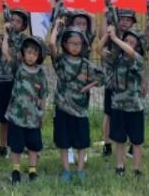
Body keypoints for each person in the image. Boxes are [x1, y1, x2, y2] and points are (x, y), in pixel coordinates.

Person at [48, 23, 103, 182]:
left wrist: (88, 86)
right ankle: (66, 170)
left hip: (80, 110)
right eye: (72, 43)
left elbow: (102, 77)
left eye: (78, 43)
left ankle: (80, 170)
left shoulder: (86, 64)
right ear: (65, 44)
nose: (75, 46)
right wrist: (56, 28)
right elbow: (51, 45)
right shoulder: (61, 61)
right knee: (63, 141)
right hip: (62, 108)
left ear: (83, 45)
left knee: (82, 142)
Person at [2, 35, 49, 184]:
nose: (31, 56)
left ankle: (32, 171)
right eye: (28, 52)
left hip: (33, 118)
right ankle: (15, 170)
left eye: (34, 54)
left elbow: (43, 96)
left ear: (39, 56)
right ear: (23, 53)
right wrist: (6, 36)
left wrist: (42, 114)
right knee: (16, 146)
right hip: (16, 116)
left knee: (33, 145)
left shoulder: (41, 73)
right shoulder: (18, 67)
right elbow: (5, 53)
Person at [106, 26, 146, 177]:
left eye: (132, 42)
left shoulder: (138, 59)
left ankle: (137, 169)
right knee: (119, 139)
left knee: (137, 141)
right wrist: (108, 34)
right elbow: (98, 50)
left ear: (138, 46)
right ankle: (120, 166)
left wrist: (115, 38)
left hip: (135, 107)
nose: (128, 44)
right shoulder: (117, 59)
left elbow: (130, 52)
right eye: (126, 40)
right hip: (118, 106)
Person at [97, 8, 137, 156]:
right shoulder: (111, 33)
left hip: (131, 83)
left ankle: (133, 144)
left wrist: (144, 81)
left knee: (132, 115)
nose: (125, 22)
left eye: (128, 20)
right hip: (112, 81)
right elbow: (101, 37)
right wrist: (105, 16)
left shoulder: (135, 36)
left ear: (133, 22)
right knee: (108, 114)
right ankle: (107, 145)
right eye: (122, 19)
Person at [0, 6, 30, 158]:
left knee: (18, 115)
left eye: (18, 21)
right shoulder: (3, 36)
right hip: (3, 79)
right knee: (3, 117)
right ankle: (2, 146)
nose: (14, 23)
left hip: (19, 81)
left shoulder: (24, 40)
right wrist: (1, 33)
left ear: (23, 25)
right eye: (12, 20)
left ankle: (18, 144)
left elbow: (23, 56)